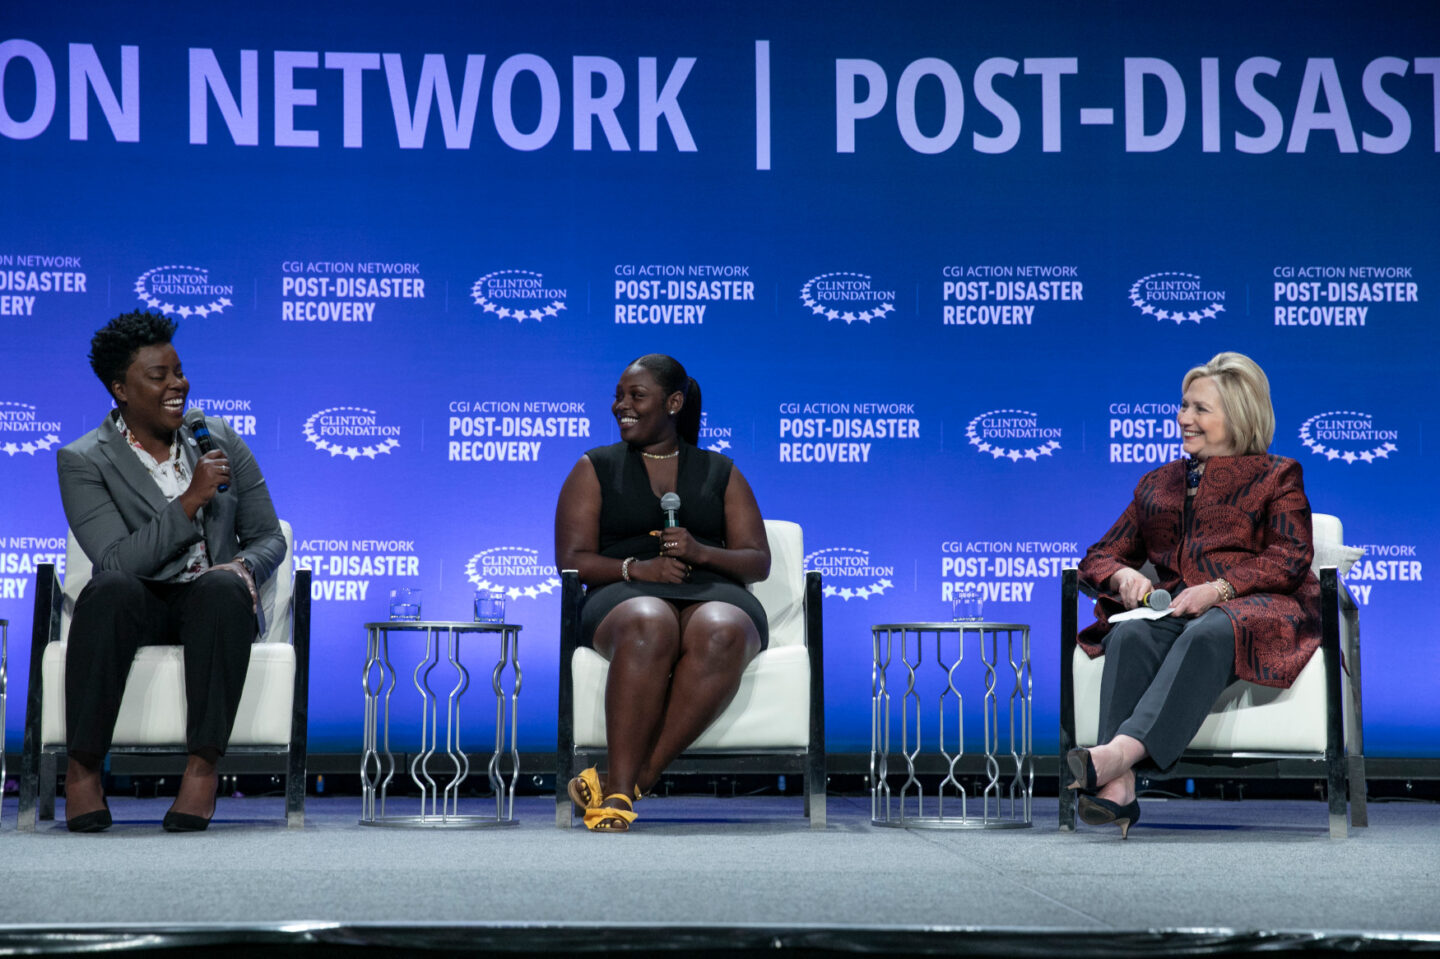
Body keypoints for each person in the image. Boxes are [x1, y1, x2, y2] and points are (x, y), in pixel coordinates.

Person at [1070, 351, 1321, 838]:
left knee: (1212, 627)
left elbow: (1291, 555)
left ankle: (1116, 757)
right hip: (1178, 609)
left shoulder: (1277, 475)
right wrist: (1122, 578)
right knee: (1131, 638)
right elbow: (1098, 556)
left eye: (1200, 409)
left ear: (1240, 415)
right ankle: (1118, 790)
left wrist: (1220, 588)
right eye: (1183, 406)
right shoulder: (1156, 484)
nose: (1184, 418)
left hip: (1259, 609)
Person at [56, 310, 286, 832]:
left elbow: (268, 536)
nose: (177, 384)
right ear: (120, 389)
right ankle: (83, 768)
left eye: (178, 371)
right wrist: (189, 502)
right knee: (109, 587)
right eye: (158, 376)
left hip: (210, 606)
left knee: (224, 587)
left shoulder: (217, 436)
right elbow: (115, 560)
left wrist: (243, 565)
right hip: (136, 602)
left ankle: (202, 769)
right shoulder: (84, 460)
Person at [554, 354, 771, 831]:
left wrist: (700, 551)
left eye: (636, 396)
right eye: (618, 396)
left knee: (723, 630)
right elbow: (571, 559)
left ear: (674, 403)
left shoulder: (720, 471)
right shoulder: (595, 468)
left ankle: (623, 786)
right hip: (623, 591)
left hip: (713, 588)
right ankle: (624, 785)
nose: (620, 406)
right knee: (649, 618)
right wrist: (639, 569)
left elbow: (757, 559)